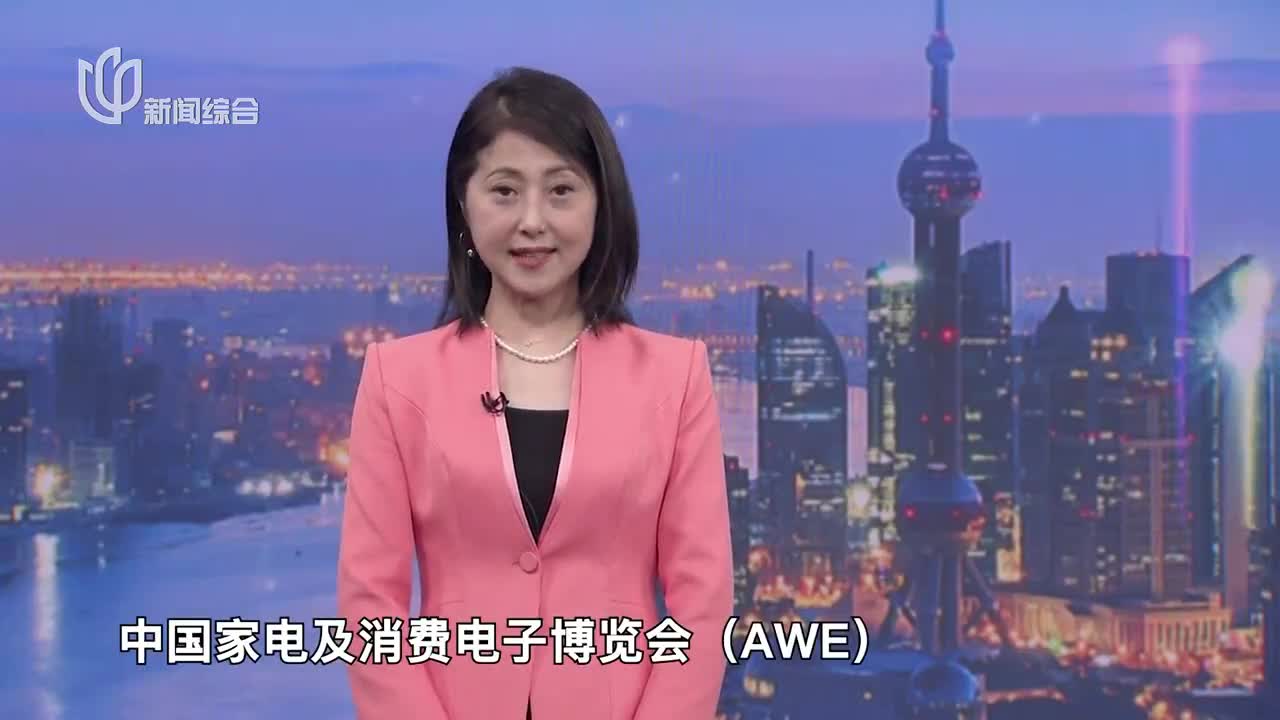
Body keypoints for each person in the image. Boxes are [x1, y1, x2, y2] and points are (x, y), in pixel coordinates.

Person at [337, 66, 734, 720]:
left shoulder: (675, 376)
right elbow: (369, 607)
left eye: (561, 191)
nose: (532, 221)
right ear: (463, 205)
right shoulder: (397, 378)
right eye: (504, 191)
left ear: (601, 205)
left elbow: (702, 603)